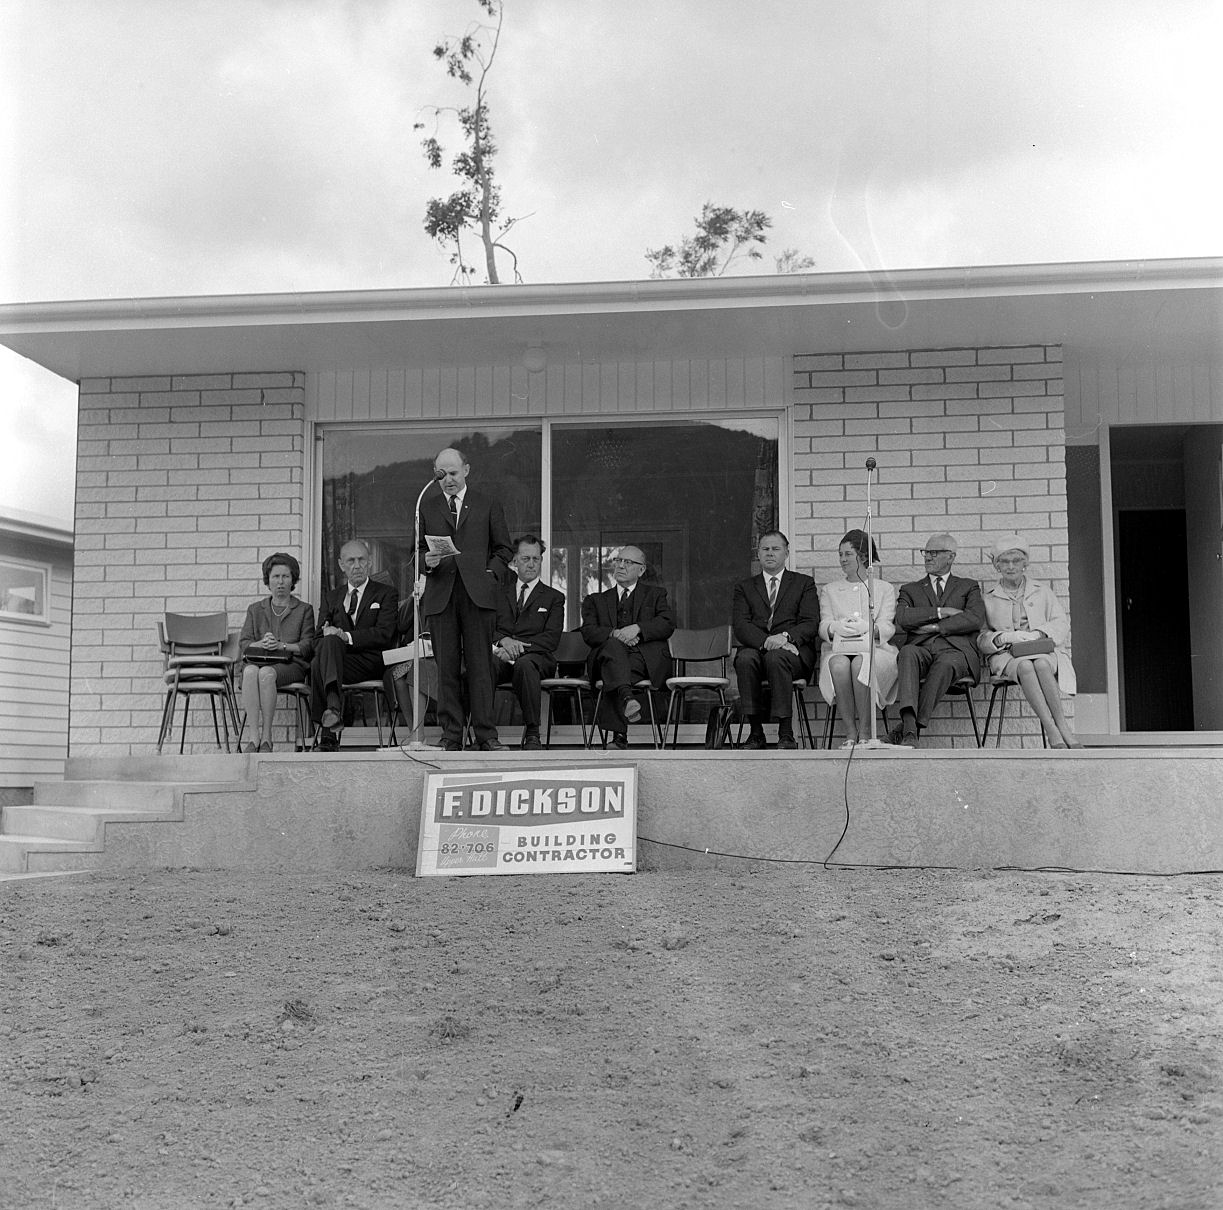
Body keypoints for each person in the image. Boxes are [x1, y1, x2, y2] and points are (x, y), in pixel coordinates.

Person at [418, 447, 513, 752]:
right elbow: (415, 551)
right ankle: (451, 735)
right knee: (445, 668)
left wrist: (489, 575)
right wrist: (426, 561)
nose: (448, 480)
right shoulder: (428, 506)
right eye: (441, 474)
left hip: (477, 594)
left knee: (480, 667)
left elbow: (504, 549)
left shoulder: (486, 503)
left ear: (467, 471)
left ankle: (486, 735)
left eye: (453, 473)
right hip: (441, 594)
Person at [979, 535, 1081, 748]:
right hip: (1007, 655)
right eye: (1004, 562)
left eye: (1016, 561)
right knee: (1026, 666)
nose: (1010, 566)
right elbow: (981, 637)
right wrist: (1003, 637)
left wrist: (1039, 633)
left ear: (1025, 563)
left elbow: (1061, 623)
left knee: (1041, 664)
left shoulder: (1042, 591)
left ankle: (1063, 726)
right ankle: (1051, 729)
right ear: (996, 566)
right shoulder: (987, 598)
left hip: (1040, 649)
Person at [893, 532, 986, 747]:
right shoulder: (910, 589)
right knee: (907, 652)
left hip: (956, 651)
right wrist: (941, 611)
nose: (927, 557)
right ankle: (909, 727)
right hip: (921, 649)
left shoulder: (967, 586)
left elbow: (974, 618)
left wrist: (935, 626)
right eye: (926, 552)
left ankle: (909, 730)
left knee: (946, 663)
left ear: (951, 557)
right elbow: (903, 618)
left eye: (934, 553)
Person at [731, 530, 820, 750]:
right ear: (758, 554)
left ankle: (786, 733)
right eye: (765, 549)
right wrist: (766, 641)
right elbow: (741, 625)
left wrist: (785, 637)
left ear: (786, 553)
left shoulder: (803, 583)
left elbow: (811, 622)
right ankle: (756, 732)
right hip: (758, 649)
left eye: (775, 549)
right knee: (744, 659)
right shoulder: (745, 587)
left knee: (776, 657)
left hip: (792, 654)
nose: (770, 553)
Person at [581, 545, 676, 750]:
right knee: (614, 649)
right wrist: (615, 633)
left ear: (641, 570)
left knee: (615, 670)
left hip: (642, 659)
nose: (621, 566)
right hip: (607, 656)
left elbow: (667, 623)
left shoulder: (656, 595)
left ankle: (619, 734)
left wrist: (638, 628)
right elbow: (588, 631)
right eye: (618, 561)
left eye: (628, 562)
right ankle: (627, 698)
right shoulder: (596, 600)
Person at [310, 538, 398, 752]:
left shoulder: (386, 593)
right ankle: (332, 709)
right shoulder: (332, 597)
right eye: (351, 561)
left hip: (372, 661)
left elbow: (385, 635)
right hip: (341, 663)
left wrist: (346, 636)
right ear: (341, 565)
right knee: (326, 644)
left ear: (369, 563)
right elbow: (316, 639)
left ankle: (328, 731)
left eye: (361, 560)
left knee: (320, 662)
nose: (356, 565)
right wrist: (331, 634)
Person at [817, 529, 898, 748]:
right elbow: (824, 625)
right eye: (840, 554)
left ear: (863, 557)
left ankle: (865, 731)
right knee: (839, 664)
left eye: (847, 554)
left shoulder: (883, 588)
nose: (842, 559)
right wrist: (837, 627)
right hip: (839, 649)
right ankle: (850, 731)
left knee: (862, 663)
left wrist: (869, 630)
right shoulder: (830, 590)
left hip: (876, 651)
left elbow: (887, 625)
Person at [492, 535, 565, 750]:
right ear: (515, 561)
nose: (531, 564)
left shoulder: (554, 597)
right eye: (525, 559)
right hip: (502, 655)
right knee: (482, 666)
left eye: (536, 558)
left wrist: (516, 648)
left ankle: (533, 733)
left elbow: (551, 638)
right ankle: (485, 734)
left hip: (538, 658)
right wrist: (503, 641)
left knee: (525, 665)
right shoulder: (498, 594)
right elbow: (487, 628)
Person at [238, 552, 316, 753]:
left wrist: (281, 646)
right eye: (275, 577)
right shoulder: (255, 609)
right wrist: (262, 643)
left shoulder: (304, 609)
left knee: (266, 674)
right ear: (268, 580)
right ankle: (253, 737)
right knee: (250, 672)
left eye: (285, 576)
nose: (280, 582)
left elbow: (308, 646)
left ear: (293, 580)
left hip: (291, 665)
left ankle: (267, 738)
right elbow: (244, 643)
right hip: (258, 660)